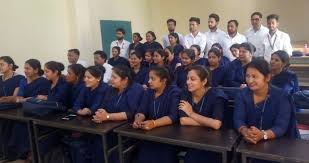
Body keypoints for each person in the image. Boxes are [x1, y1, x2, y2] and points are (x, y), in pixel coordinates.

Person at [234, 58, 300, 163]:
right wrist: (245, 131)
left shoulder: (281, 96)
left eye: (254, 76)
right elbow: (238, 119)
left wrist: (263, 135)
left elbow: (281, 126)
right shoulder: (242, 95)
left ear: (267, 77)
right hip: (250, 143)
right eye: (247, 76)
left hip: (278, 145)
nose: (250, 81)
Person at [92, 65, 144, 163]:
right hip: (109, 126)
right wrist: (100, 114)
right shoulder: (111, 89)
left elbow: (130, 114)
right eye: (111, 77)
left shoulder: (135, 89)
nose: (111, 80)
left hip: (127, 130)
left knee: (108, 147)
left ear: (125, 80)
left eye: (114, 77)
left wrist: (107, 116)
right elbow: (103, 106)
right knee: (95, 142)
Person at [179, 65, 227, 163]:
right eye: (187, 79)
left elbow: (217, 124)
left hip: (215, 142)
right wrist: (209, 122)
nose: (188, 82)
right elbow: (183, 120)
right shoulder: (186, 93)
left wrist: (191, 113)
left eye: (192, 79)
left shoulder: (217, 96)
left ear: (204, 81)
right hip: (192, 139)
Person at [133, 66, 181, 163]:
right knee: (144, 153)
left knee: (162, 155)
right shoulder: (149, 92)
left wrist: (154, 123)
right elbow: (142, 110)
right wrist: (138, 119)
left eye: (153, 79)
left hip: (169, 135)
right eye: (149, 78)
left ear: (163, 80)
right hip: (149, 132)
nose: (149, 81)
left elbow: (173, 116)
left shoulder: (174, 92)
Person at [6, 59, 49, 161]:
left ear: (36, 70)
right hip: (23, 110)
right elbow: (20, 97)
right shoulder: (23, 80)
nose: (25, 71)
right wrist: (24, 99)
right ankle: (16, 154)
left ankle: (30, 154)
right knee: (13, 124)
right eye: (24, 68)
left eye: (28, 68)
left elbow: (39, 98)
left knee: (22, 127)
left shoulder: (43, 82)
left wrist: (24, 100)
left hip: (37, 111)